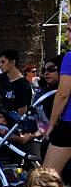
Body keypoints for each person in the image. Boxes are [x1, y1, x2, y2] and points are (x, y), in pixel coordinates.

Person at [40, 48, 71, 177]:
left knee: (45, 180)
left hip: (68, 125)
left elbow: (63, 94)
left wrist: (51, 126)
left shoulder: (69, 58)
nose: (67, 35)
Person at [0, 49, 33, 119]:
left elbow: (22, 115)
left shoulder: (22, 85)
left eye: (3, 62)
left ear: (12, 62)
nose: (0, 65)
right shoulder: (3, 80)